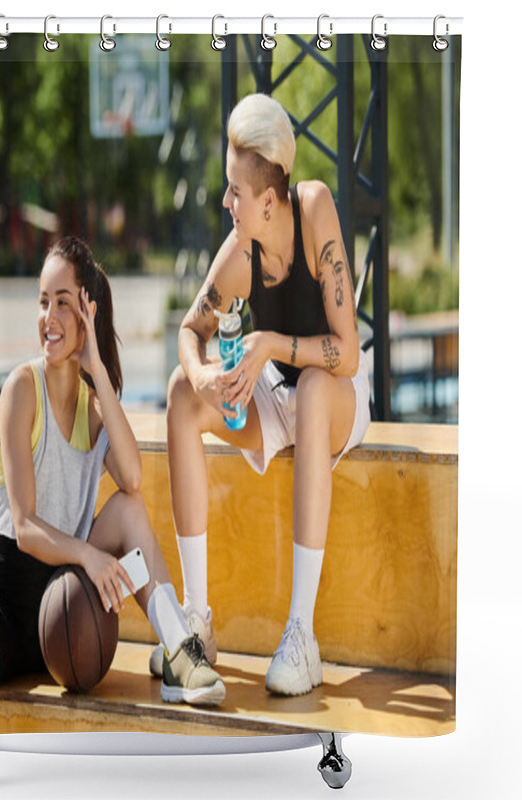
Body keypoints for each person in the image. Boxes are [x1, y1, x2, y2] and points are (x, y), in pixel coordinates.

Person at [0, 236, 224, 791]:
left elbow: (134, 477)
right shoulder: (21, 390)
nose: (49, 317)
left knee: (130, 507)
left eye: (64, 302)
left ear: (87, 312)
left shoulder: (93, 407)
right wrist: (89, 555)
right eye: (44, 301)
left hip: (64, 612)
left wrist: (100, 377)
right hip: (7, 601)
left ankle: (180, 651)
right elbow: (25, 525)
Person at [152, 93, 371, 697]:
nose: (225, 201)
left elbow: (347, 352)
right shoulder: (239, 257)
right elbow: (188, 330)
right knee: (177, 395)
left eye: (234, 192)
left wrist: (270, 342)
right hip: (281, 395)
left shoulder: (314, 208)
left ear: (268, 200)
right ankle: (198, 621)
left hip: (337, 398)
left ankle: (302, 635)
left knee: (319, 386)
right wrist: (200, 377)